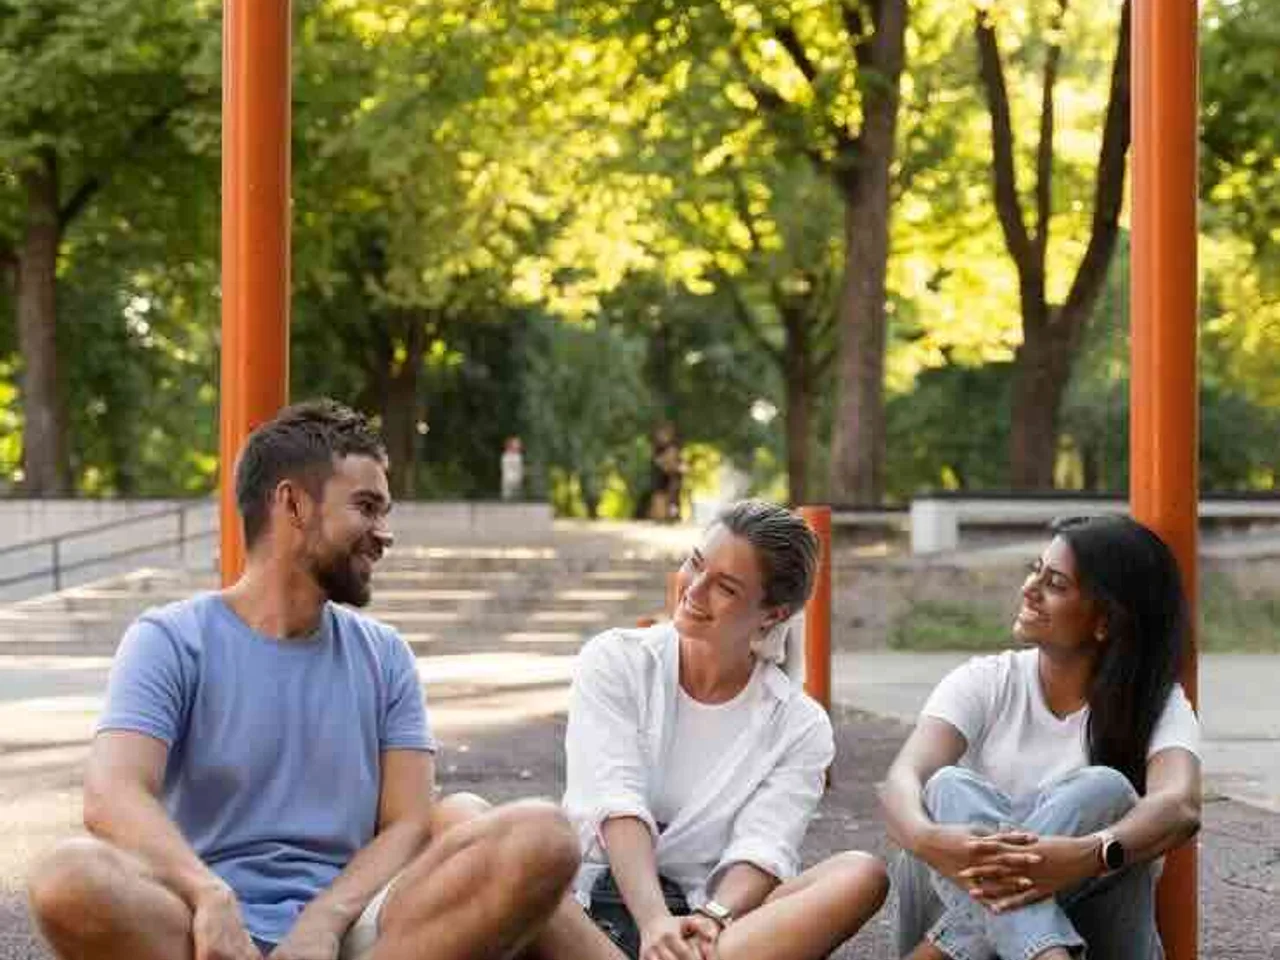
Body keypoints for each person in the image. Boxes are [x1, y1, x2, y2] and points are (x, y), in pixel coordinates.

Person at [26, 400, 579, 960]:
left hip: (361, 927)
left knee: (542, 836)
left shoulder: (385, 656)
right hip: (203, 931)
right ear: (292, 503)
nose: (383, 534)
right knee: (66, 876)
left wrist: (325, 920)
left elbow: (408, 823)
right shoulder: (169, 640)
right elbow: (111, 793)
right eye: (366, 507)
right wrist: (208, 895)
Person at [544, 499, 888, 960]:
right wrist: (653, 924)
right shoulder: (616, 659)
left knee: (860, 874)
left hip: (707, 933)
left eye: (724, 587)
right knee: (484, 829)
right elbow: (614, 796)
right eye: (695, 563)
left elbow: (764, 846)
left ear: (772, 614)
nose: (694, 589)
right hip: (584, 916)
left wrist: (713, 917)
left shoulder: (799, 725)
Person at [879, 515, 1202, 960]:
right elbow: (902, 779)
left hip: (1099, 941)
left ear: (1105, 621)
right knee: (946, 787)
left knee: (1103, 790)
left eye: (1055, 583)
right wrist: (929, 841)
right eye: (1035, 569)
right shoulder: (985, 681)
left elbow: (1179, 806)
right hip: (973, 921)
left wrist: (1087, 855)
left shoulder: (1154, 702)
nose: (1029, 588)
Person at [501, 436, 525, 501]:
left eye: (518, 444)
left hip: (517, 482)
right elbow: (506, 470)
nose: (519, 445)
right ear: (511, 445)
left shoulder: (518, 456)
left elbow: (520, 470)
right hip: (509, 481)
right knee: (508, 498)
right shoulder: (506, 456)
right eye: (516, 444)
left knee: (517, 499)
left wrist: (520, 478)